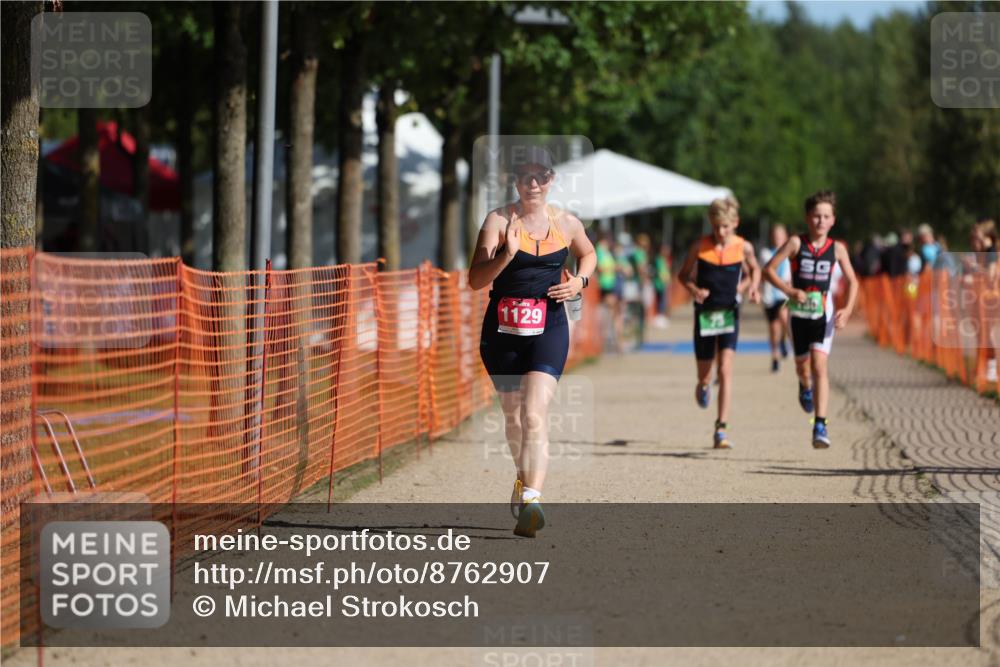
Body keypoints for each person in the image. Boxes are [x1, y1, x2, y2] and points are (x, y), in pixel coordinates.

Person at [468, 146, 596, 538]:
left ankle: (532, 501)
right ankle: (523, 479)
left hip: (550, 327)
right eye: (526, 177)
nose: (534, 184)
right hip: (502, 332)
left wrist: (579, 281)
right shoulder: (497, 221)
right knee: (513, 418)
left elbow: (588, 254)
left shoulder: (567, 224)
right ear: (516, 182)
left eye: (541, 176)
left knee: (534, 415)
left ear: (551, 180)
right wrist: (507, 254)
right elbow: (475, 280)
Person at [763, 190, 859, 449]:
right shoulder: (796, 243)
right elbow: (768, 270)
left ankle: (820, 424)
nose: (820, 221)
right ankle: (804, 386)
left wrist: (847, 309)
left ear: (833, 220)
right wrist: (789, 291)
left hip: (823, 314)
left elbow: (853, 281)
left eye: (826, 216)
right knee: (803, 369)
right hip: (798, 314)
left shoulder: (837, 248)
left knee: (820, 365)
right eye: (816, 216)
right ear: (808, 218)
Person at [676, 197, 760, 449]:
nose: (720, 232)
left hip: (729, 313)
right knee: (706, 374)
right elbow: (682, 275)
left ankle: (721, 428)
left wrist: (750, 287)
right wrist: (694, 289)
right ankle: (703, 385)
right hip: (705, 314)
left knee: (725, 369)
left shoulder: (743, 247)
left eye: (724, 227)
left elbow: (755, 270)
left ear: (735, 223)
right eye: (715, 227)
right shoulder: (699, 247)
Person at [759, 224, 792, 373]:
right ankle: (775, 356)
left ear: (786, 237)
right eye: (775, 235)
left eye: (781, 235)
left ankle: (787, 343)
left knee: (784, 317)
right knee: (773, 328)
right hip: (770, 296)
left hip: (785, 295)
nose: (778, 237)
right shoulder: (766, 254)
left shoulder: (791, 255)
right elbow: (762, 275)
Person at [595, 232, 623, 351]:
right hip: (605, 286)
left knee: (614, 313)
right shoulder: (600, 250)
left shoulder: (606, 252)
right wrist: (615, 268)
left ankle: (615, 340)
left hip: (610, 285)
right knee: (612, 313)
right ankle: (613, 341)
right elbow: (600, 267)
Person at [652, 243, 672, 328]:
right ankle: (659, 318)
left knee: (663, 301)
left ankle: (662, 317)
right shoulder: (658, 260)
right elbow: (660, 272)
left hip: (664, 284)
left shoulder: (664, 260)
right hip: (659, 284)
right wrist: (665, 280)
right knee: (661, 301)